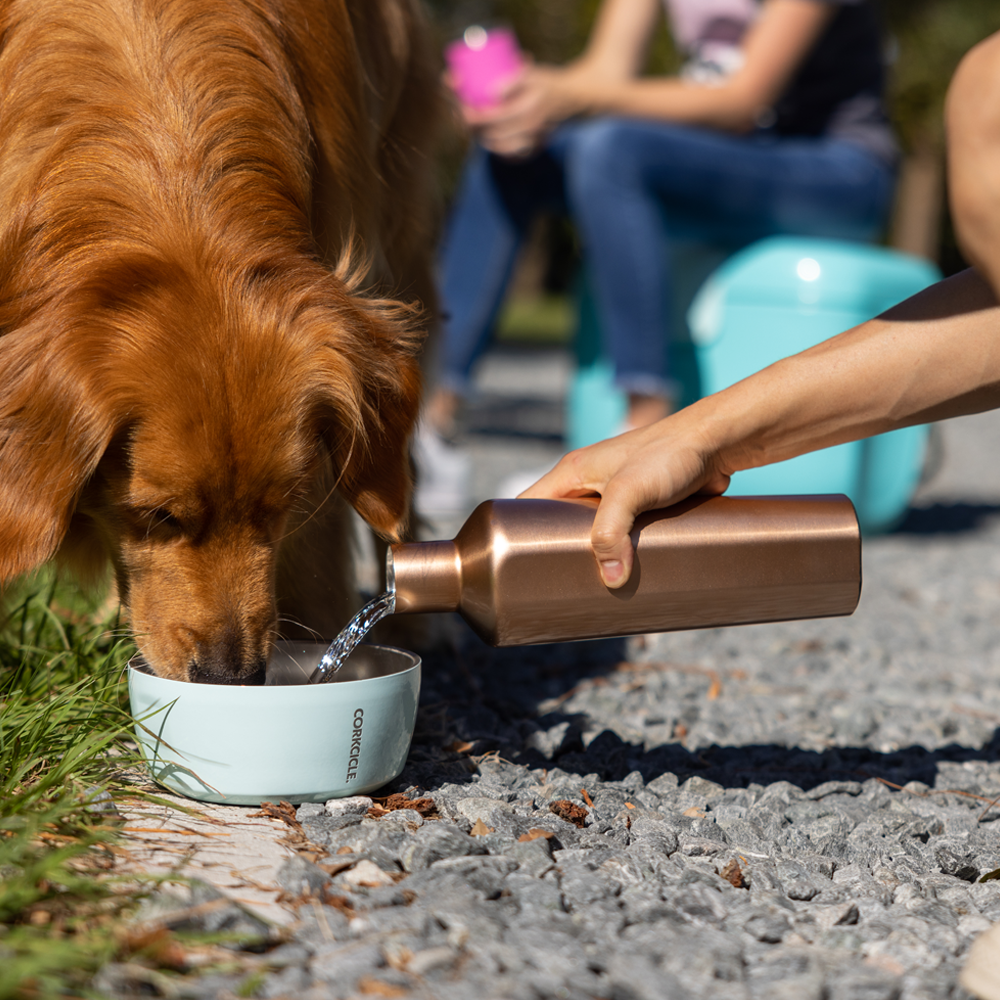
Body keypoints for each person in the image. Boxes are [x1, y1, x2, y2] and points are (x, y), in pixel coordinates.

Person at [425, 0, 897, 447]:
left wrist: (566, 95)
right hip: (723, 160)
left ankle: (642, 430)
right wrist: (525, 100)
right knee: (510, 152)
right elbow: (604, 74)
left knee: (610, 148)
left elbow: (741, 101)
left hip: (837, 170)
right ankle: (434, 422)